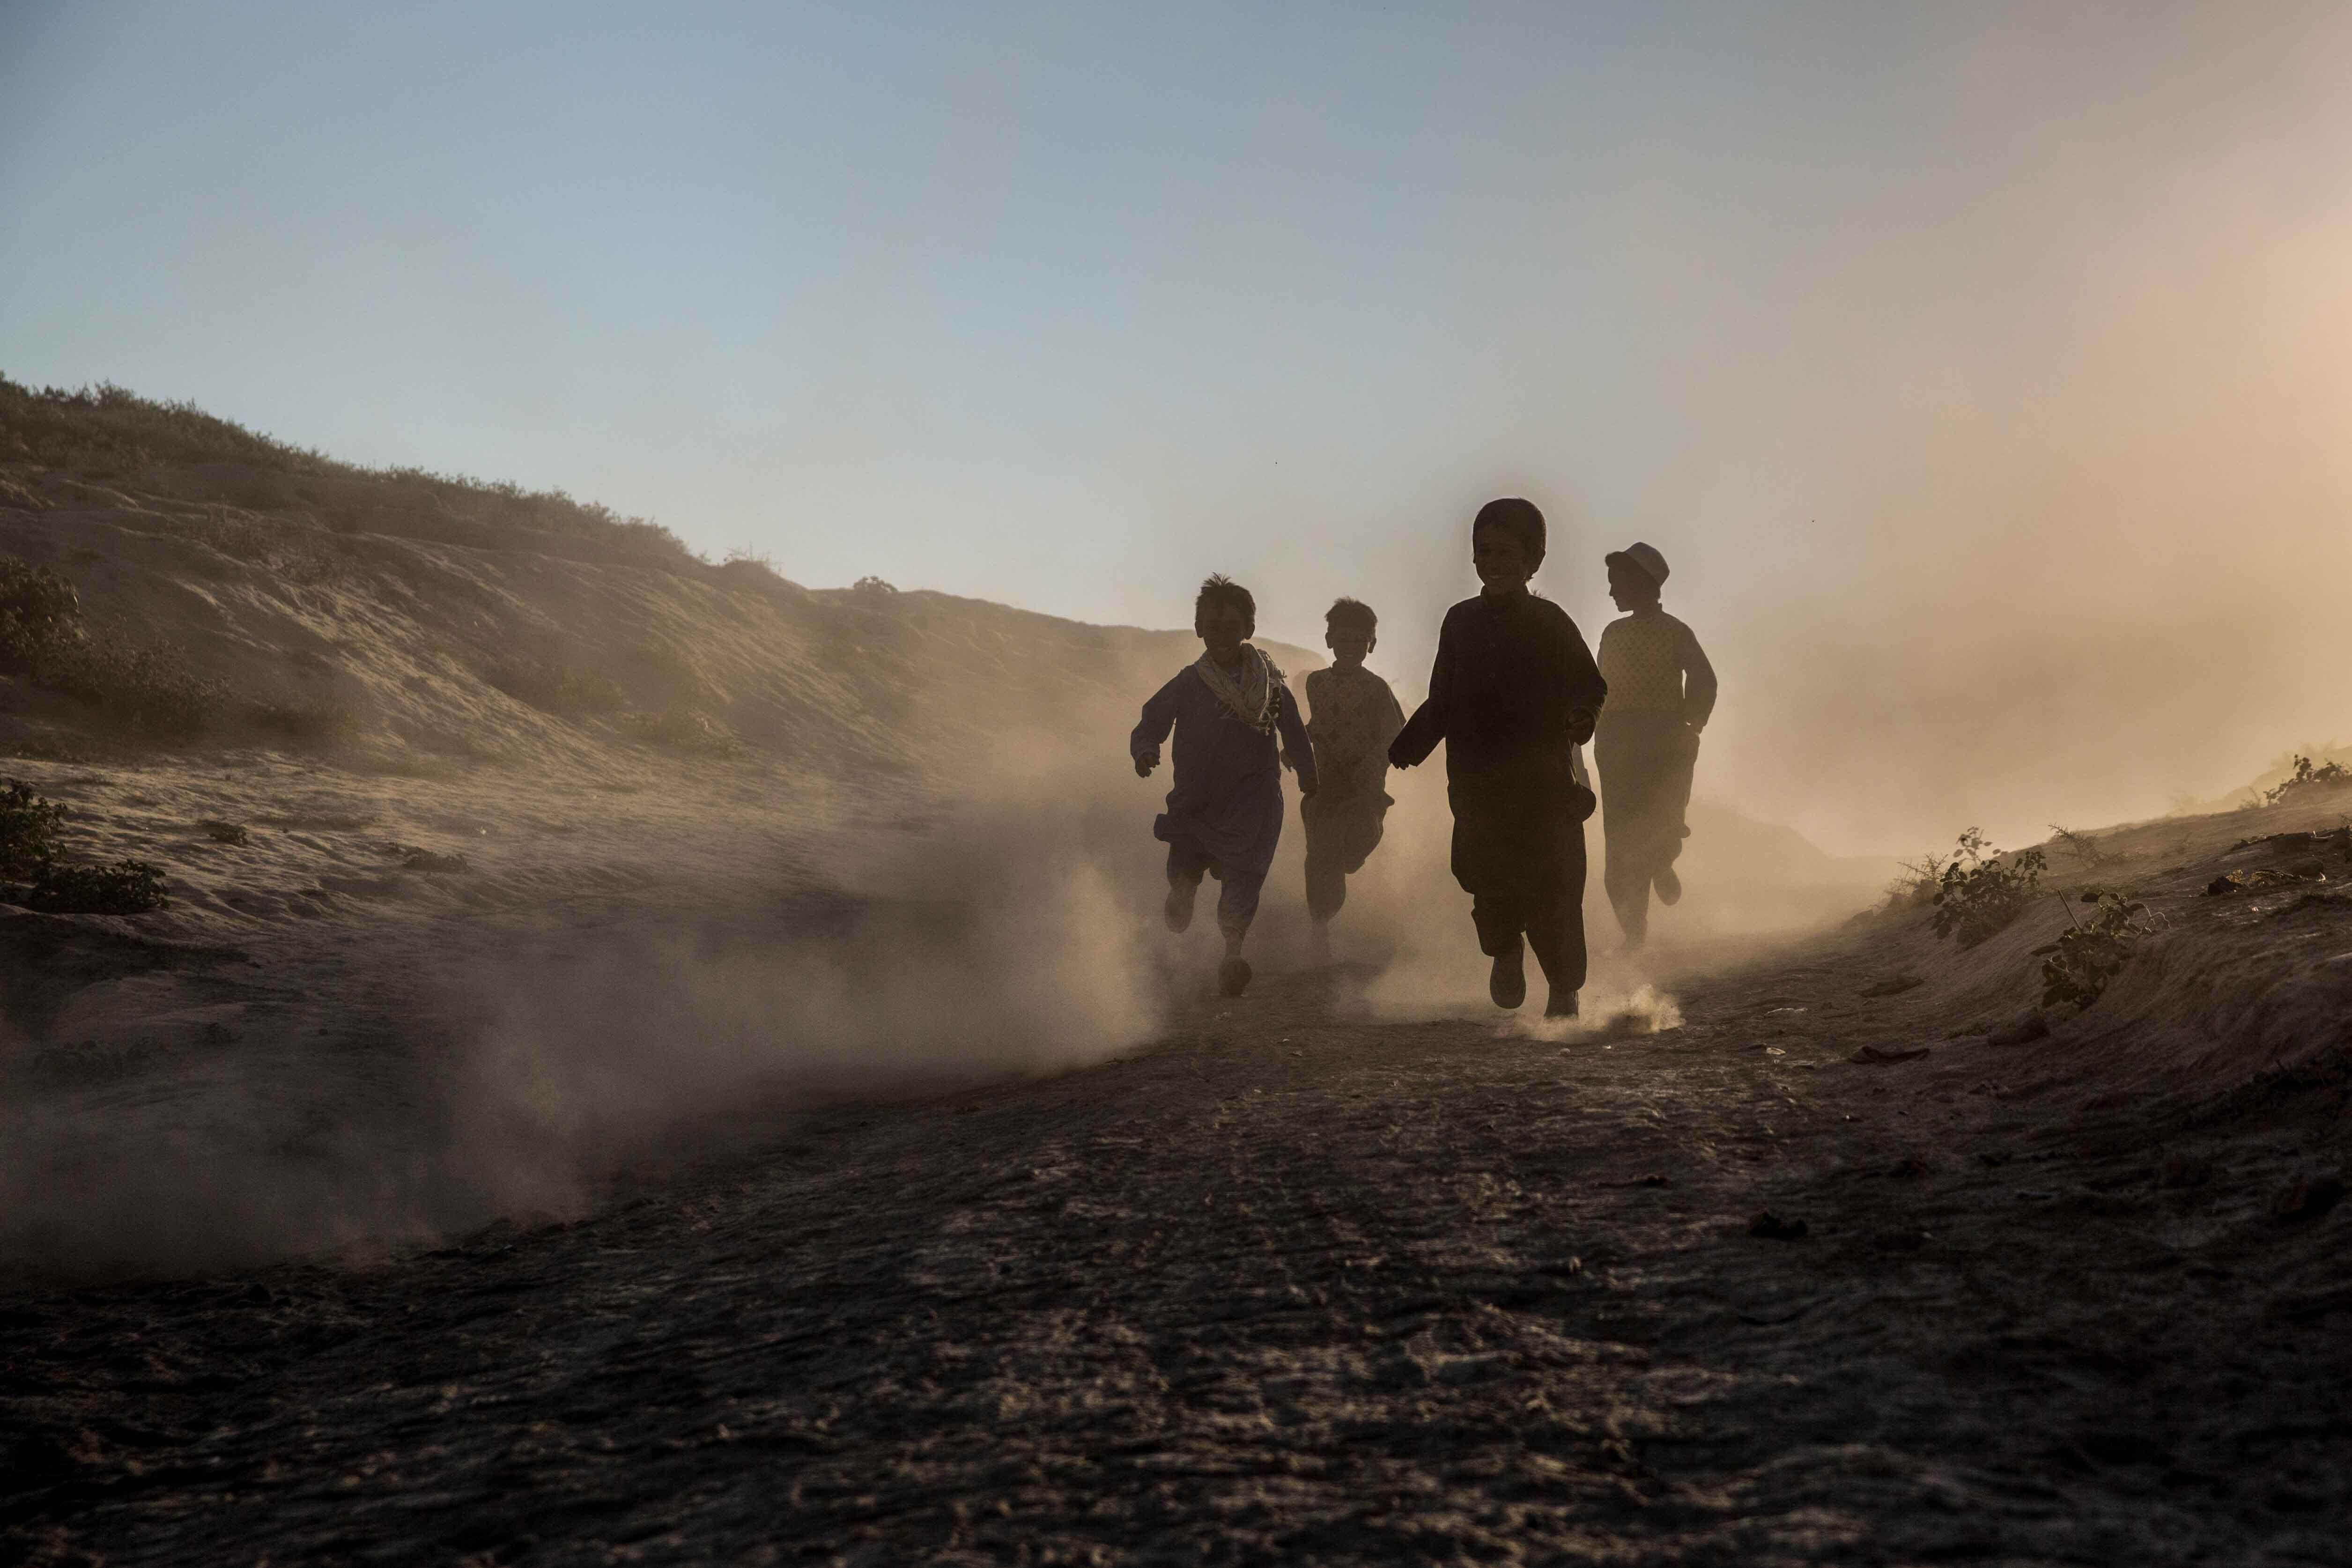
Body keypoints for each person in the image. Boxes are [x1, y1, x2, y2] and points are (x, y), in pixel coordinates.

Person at [1389, 499, 1607, 1017]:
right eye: (1484, 551)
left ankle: (1563, 989)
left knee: (1554, 891)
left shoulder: (1551, 622)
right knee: (1488, 883)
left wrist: (1583, 715)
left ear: (1534, 561)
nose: (1495, 562)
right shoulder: (1459, 623)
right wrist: (1407, 746)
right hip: (1478, 785)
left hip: (1544, 787)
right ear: (1473, 559)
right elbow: (1442, 698)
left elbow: (1587, 683)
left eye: (1508, 552)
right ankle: (1506, 952)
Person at [1132, 575, 1318, 997]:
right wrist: (1145, 750)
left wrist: (1309, 777)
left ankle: (1233, 953)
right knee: (1186, 860)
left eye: (1230, 627)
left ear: (1248, 630)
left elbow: (1295, 734)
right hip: (1198, 799)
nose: (1220, 635)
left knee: (1245, 876)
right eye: (1211, 627)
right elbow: (1153, 720)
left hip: (1254, 801)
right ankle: (1182, 892)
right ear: (1198, 628)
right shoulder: (1189, 682)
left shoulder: (1270, 686)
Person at [1593, 541, 1716, 951]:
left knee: (1662, 824)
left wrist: (1691, 724)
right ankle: (1634, 930)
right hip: (1615, 744)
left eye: (1618, 583)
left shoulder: (1676, 632)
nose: (1611, 592)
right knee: (1620, 844)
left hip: (1663, 742)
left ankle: (1663, 861)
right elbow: (1595, 689)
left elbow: (1704, 677)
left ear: (1642, 583)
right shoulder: (1612, 634)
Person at [1301, 597, 1405, 961]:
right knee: (1320, 855)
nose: (1349, 648)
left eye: (1358, 641)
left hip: (1365, 787)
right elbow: (1318, 725)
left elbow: (1395, 733)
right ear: (1329, 640)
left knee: (1363, 836)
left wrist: (1376, 762)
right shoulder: (1316, 684)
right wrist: (1298, 748)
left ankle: (1348, 860)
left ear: (1371, 645)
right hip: (1324, 785)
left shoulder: (1378, 689)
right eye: (1342, 639)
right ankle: (1320, 927)